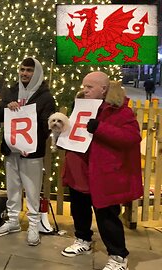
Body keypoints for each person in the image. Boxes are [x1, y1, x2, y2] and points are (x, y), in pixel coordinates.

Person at [61, 72, 142, 270]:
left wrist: (100, 128)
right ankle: (83, 240)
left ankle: (118, 257)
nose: (84, 90)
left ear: (103, 89)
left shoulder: (120, 110)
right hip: (79, 169)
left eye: (89, 87)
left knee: (107, 216)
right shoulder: (81, 105)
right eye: (84, 86)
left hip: (102, 173)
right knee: (79, 209)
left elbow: (131, 137)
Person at [0, 57, 55, 246]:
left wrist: (30, 143)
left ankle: (34, 226)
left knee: (32, 189)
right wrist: (7, 106)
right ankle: (13, 221)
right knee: (12, 188)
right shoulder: (11, 91)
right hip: (11, 150)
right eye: (22, 69)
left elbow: (46, 126)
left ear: (36, 72)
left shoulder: (45, 96)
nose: (24, 73)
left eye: (28, 70)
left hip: (31, 153)